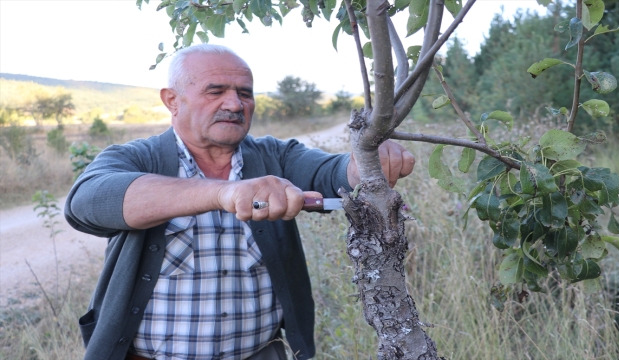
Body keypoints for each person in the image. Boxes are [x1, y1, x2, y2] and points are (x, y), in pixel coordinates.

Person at [65, 44, 415, 360]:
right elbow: (86, 202)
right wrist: (223, 192)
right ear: (172, 100)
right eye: (215, 91)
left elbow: (331, 171)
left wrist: (365, 162)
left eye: (244, 94)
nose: (234, 104)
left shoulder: (275, 156)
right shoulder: (137, 157)